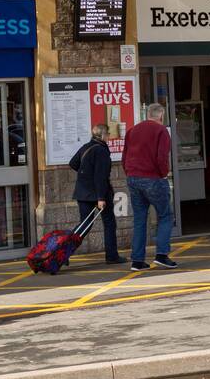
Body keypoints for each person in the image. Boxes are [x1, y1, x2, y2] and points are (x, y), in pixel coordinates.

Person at [122, 103, 177, 271]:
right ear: (161, 116)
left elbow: (125, 156)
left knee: (140, 219)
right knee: (165, 215)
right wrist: (163, 173)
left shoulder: (132, 130)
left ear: (147, 114)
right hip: (153, 178)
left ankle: (137, 261)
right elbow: (162, 157)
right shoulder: (161, 131)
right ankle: (161, 255)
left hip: (133, 178)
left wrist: (129, 172)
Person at [70, 123, 122, 264]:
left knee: (85, 225)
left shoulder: (86, 147)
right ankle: (112, 256)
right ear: (104, 135)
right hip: (99, 194)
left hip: (82, 192)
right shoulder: (101, 151)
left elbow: (73, 163)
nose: (109, 137)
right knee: (109, 223)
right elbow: (101, 177)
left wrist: (86, 174)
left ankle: (64, 250)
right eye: (108, 134)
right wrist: (100, 197)